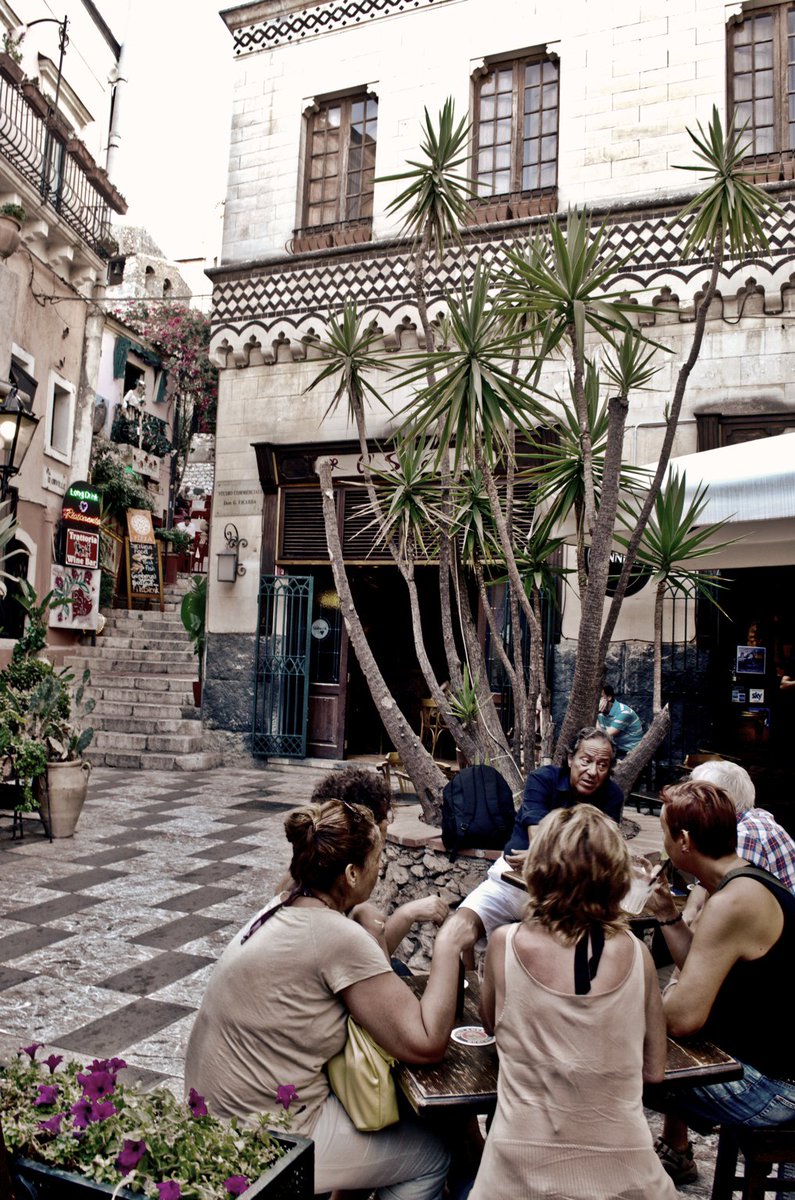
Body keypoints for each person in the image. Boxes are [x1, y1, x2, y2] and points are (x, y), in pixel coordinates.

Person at [185, 798, 470, 1199]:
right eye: (377, 861)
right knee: (431, 1154)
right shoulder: (336, 936)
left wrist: (360, 916)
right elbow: (425, 1042)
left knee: (375, 1122)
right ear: (351, 873)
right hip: (266, 1135)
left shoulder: (282, 904)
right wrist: (448, 945)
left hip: (218, 1112)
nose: (379, 870)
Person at [469, 805, 676, 1200]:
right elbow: (654, 1071)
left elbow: (492, 1025)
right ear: (616, 877)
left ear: (539, 870)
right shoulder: (638, 956)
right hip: (624, 1176)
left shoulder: (505, 944)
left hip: (516, 1176)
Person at [646, 780, 795, 1187]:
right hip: (773, 1069)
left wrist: (649, 991)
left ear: (684, 841)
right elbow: (703, 964)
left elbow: (682, 1019)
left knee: (615, 1064)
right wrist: (667, 913)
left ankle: (624, 1175)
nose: (663, 844)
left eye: (665, 833)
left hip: (774, 1090)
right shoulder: (742, 881)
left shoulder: (732, 901)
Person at [450, 727, 624, 954]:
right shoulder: (543, 779)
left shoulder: (612, 796)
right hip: (509, 881)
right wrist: (561, 854)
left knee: (552, 953)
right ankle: (468, 976)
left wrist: (540, 857)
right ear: (570, 759)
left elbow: (600, 853)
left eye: (602, 765)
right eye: (586, 761)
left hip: (567, 893)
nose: (592, 772)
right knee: (454, 933)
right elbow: (538, 835)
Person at [311, 766, 448, 956]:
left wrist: (407, 914)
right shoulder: (332, 925)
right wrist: (450, 942)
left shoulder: (318, 878)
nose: (380, 864)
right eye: (376, 857)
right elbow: (374, 965)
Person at [597, 684, 643, 756]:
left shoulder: (624, 712)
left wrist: (596, 713)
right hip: (616, 749)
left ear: (609, 697)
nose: (596, 701)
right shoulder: (600, 713)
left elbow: (604, 736)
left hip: (632, 752)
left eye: (599, 697)